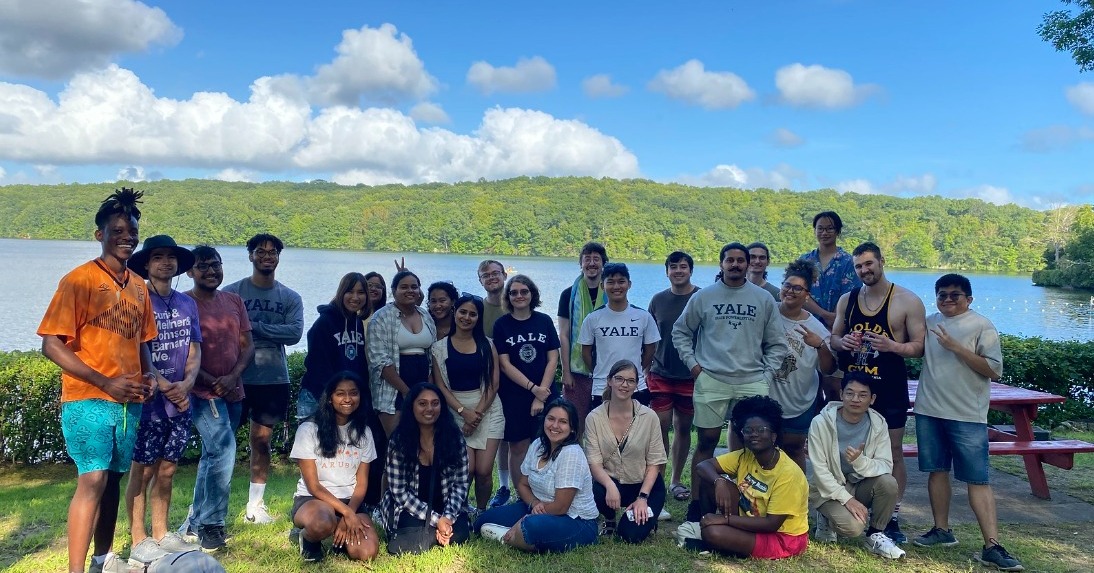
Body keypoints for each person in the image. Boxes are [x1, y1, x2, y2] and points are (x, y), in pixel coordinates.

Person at [37, 188, 158, 573]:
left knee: (113, 482)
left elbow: (142, 342)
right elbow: (51, 345)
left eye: (132, 230)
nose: (127, 236)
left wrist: (150, 376)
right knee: (92, 479)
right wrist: (104, 382)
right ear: (100, 235)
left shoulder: (139, 286)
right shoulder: (79, 280)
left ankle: (102, 561)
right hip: (87, 398)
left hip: (128, 404)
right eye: (117, 230)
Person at [911, 274, 1023, 571]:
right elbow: (910, 344)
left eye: (955, 295)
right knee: (936, 471)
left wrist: (957, 348)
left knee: (977, 479)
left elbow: (994, 371)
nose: (948, 300)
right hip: (929, 410)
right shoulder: (930, 320)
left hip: (967, 415)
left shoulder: (981, 325)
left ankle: (992, 545)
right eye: (942, 295)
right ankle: (941, 530)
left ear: (969, 299)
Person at [671, 242, 787, 502]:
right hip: (711, 378)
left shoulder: (763, 298)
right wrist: (694, 365)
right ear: (721, 264)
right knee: (706, 441)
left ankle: (749, 500)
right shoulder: (704, 296)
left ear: (748, 264)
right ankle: (699, 504)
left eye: (740, 260)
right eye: (729, 260)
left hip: (753, 380)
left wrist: (766, 375)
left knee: (755, 443)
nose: (735, 264)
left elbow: (778, 342)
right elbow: (681, 331)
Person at [830, 241, 926, 544]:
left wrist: (893, 346)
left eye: (869, 264)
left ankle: (890, 516)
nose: (864, 271)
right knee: (846, 449)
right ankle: (846, 507)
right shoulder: (848, 299)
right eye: (859, 266)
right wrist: (844, 343)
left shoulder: (907, 300)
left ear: (882, 262)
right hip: (855, 390)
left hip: (890, 389)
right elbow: (833, 337)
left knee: (893, 452)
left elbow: (919, 346)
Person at [124, 235, 202, 564]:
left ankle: (161, 532)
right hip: (149, 400)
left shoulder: (187, 303)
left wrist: (186, 383)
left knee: (168, 470)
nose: (165, 263)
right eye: (158, 257)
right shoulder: (138, 298)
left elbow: (195, 347)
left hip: (180, 402)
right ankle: (138, 538)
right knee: (142, 471)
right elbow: (138, 346)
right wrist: (159, 378)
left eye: (171, 257)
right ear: (146, 264)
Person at [223, 233, 304, 525]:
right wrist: (269, 329)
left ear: (278, 258)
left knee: (261, 442)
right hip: (236, 377)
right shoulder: (232, 294)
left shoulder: (290, 297)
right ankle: (207, 505)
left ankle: (255, 506)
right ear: (250, 256)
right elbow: (226, 330)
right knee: (222, 443)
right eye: (261, 251)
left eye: (272, 252)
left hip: (272, 379)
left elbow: (294, 333)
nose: (267, 256)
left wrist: (251, 326)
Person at [179, 245, 254, 553]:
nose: (211, 271)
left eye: (216, 265)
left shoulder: (234, 301)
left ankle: (195, 523)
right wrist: (212, 381)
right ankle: (213, 525)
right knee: (223, 450)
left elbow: (247, 345)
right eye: (203, 266)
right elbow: (182, 353)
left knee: (213, 456)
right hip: (201, 392)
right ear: (190, 272)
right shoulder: (184, 304)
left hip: (234, 391)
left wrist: (232, 377)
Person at [298, 272, 386, 511]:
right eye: (350, 291)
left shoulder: (357, 322)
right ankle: (311, 506)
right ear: (341, 292)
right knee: (320, 455)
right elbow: (317, 364)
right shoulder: (324, 323)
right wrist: (331, 399)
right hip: (320, 397)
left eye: (361, 292)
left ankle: (359, 504)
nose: (355, 297)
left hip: (346, 398)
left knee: (354, 451)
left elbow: (357, 363)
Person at [684, 396, 808, 560]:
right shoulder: (746, 455)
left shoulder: (788, 473)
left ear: (773, 436)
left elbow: (772, 524)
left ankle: (714, 537)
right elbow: (703, 466)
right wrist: (719, 481)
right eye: (748, 431)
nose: (754, 435)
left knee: (713, 532)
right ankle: (711, 529)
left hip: (781, 537)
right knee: (709, 481)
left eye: (761, 430)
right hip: (749, 519)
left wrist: (724, 520)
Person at [474, 398, 599, 553]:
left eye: (563, 422)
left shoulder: (571, 454)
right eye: (551, 419)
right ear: (544, 420)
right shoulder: (538, 445)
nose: (555, 426)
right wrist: (533, 504)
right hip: (538, 508)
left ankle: (516, 535)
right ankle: (517, 537)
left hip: (575, 520)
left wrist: (525, 519)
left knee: (530, 527)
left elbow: (561, 507)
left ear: (572, 428)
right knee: (483, 520)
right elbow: (522, 484)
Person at [807, 373, 904, 559]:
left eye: (862, 395)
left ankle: (875, 534)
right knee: (853, 528)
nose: (855, 399)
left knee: (889, 483)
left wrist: (860, 462)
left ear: (872, 399)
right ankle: (826, 516)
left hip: (860, 485)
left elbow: (885, 465)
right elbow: (820, 471)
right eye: (850, 393)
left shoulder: (878, 424)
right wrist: (847, 499)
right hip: (827, 489)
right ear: (841, 394)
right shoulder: (820, 423)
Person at [289, 372, 380, 563]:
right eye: (340, 393)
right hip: (313, 499)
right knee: (322, 522)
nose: (347, 399)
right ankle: (307, 537)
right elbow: (313, 486)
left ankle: (338, 530)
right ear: (330, 398)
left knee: (366, 553)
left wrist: (350, 512)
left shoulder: (364, 432)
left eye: (353, 393)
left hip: (350, 501)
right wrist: (347, 515)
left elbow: (362, 482)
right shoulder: (309, 430)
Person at [431, 295, 505, 516]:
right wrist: (463, 412)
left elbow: (494, 383)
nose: (467, 317)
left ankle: (481, 512)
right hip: (456, 410)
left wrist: (477, 414)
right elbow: (440, 386)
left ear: (478, 318)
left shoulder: (488, 345)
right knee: (467, 470)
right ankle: (460, 509)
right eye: (463, 312)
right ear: (454, 312)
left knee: (483, 471)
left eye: (473, 314)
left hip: (488, 409)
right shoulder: (439, 347)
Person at [492, 275, 560, 510]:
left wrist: (542, 392)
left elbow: (553, 358)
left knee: (550, 442)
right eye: (514, 292)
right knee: (517, 446)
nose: (519, 296)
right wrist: (533, 390)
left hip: (547, 390)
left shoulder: (544, 321)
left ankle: (549, 491)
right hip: (515, 395)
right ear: (508, 297)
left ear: (532, 294)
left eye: (524, 291)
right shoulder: (502, 325)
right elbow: (505, 364)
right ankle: (522, 495)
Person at [379, 383, 471, 555]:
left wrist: (448, 517)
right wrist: (438, 521)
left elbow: (461, 483)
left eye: (435, 403)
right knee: (408, 539)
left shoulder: (454, 437)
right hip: (409, 507)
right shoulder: (398, 441)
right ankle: (435, 534)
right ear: (412, 407)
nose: (429, 408)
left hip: (444, 504)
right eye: (422, 403)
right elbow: (399, 493)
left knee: (460, 532)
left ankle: (435, 534)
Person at [585, 360, 667, 543]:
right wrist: (610, 486)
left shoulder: (649, 417)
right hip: (610, 482)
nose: (624, 384)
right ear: (609, 381)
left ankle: (646, 517)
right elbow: (594, 463)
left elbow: (655, 463)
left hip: (645, 486)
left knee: (630, 536)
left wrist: (643, 498)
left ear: (636, 384)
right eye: (619, 379)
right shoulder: (594, 418)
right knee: (594, 486)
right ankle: (609, 518)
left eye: (630, 380)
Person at [770, 259, 836, 471]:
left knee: (794, 448)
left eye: (798, 288)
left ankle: (798, 496)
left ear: (807, 295)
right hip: (767, 395)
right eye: (787, 286)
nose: (790, 291)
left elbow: (828, 369)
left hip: (800, 399)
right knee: (763, 447)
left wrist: (820, 346)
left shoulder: (816, 328)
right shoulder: (767, 314)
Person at [647, 251, 700, 502]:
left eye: (683, 267)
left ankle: (676, 480)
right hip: (660, 372)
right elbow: (648, 335)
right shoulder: (658, 300)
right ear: (666, 271)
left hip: (691, 374)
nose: (678, 271)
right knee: (660, 426)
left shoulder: (701, 297)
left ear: (690, 270)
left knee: (683, 427)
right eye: (673, 267)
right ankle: (656, 478)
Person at [578, 262, 659, 410]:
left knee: (637, 432)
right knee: (603, 432)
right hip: (602, 388)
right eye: (611, 282)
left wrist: (635, 370)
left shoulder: (643, 317)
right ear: (603, 286)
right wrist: (600, 372)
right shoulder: (593, 318)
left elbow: (650, 350)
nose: (616, 287)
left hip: (636, 387)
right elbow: (586, 353)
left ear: (629, 284)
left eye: (621, 282)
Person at [366, 270, 437, 437]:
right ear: (393, 290)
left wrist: (428, 388)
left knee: (424, 442)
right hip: (392, 391)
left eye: (414, 287)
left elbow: (433, 354)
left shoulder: (425, 315)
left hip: (423, 387)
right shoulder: (381, 317)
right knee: (398, 443)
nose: (410, 291)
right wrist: (406, 392)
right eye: (404, 287)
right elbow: (380, 361)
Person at [800, 211, 861, 402]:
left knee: (834, 388)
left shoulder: (848, 262)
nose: (824, 233)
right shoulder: (805, 260)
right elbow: (799, 293)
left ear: (837, 231)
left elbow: (853, 295)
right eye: (820, 228)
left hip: (837, 331)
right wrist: (825, 314)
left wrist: (834, 319)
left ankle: (833, 430)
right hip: (806, 330)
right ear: (814, 231)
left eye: (830, 228)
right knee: (809, 388)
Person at [557, 242, 608, 428]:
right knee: (573, 423)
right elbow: (563, 335)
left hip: (606, 370)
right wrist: (566, 372)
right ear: (581, 264)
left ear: (604, 263)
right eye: (587, 259)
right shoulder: (568, 295)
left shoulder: (613, 292)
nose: (592, 263)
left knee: (604, 425)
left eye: (596, 259)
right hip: (576, 373)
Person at [477, 260, 511, 509]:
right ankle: (504, 487)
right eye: (486, 275)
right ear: (480, 280)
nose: (491, 278)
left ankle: (525, 485)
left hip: (518, 379)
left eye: (495, 273)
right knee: (498, 438)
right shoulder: (478, 308)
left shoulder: (517, 301)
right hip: (488, 381)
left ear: (504, 275)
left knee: (517, 438)